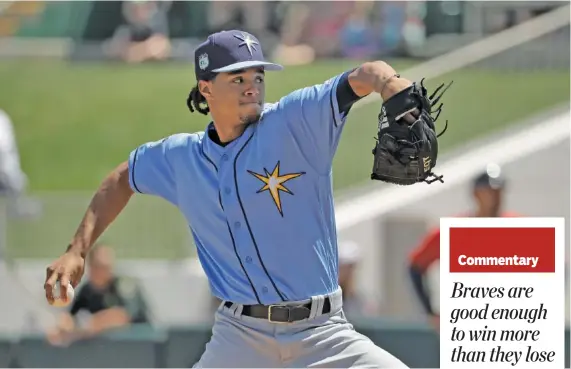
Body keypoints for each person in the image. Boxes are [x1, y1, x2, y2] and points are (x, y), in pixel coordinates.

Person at [43, 29, 419, 367]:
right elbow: (122, 178)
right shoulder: (181, 158)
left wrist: (390, 82)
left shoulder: (294, 122)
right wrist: (78, 249)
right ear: (206, 87)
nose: (252, 86)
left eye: (257, 76)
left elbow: (365, 75)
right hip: (240, 339)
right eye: (237, 78)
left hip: (323, 334)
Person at [407, 167, 520, 332]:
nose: (495, 197)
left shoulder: (518, 227)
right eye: (489, 192)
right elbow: (415, 266)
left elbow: (556, 265)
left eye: (499, 191)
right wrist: (430, 311)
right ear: (476, 194)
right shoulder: (454, 230)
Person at [46, 244, 149, 345]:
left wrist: (90, 325)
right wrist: (62, 328)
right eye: (99, 266)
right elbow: (71, 317)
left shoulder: (124, 286)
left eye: (107, 266)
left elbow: (122, 316)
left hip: (141, 345)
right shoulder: (87, 291)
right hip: (107, 350)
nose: (104, 271)